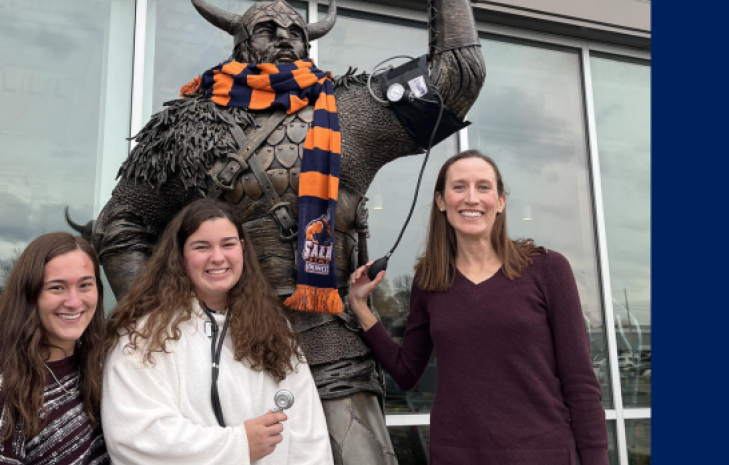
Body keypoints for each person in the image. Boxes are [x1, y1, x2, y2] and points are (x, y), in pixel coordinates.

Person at [91, 1, 485, 462]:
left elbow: (457, 77)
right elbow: (120, 223)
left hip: (330, 341)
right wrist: (165, 318)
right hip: (225, 346)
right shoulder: (184, 127)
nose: (283, 39)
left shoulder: (350, 108)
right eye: (266, 29)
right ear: (241, 42)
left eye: (296, 32)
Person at [348, 150, 609, 465]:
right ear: (442, 201)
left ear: (500, 201)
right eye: (459, 187)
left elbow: (579, 380)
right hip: (456, 455)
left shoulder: (547, 268)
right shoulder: (429, 280)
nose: (471, 198)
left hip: (543, 453)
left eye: (483, 187)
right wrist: (360, 306)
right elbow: (406, 374)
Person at [100, 198, 332, 464]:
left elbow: (308, 433)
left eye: (228, 244)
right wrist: (239, 446)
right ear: (180, 254)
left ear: (242, 248)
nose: (218, 257)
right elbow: (136, 437)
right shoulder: (142, 338)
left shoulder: (274, 328)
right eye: (202, 247)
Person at [0, 233, 109, 464]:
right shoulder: (8, 388)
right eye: (57, 287)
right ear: (30, 295)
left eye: (85, 285)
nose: (74, 301)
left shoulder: (102, 363)